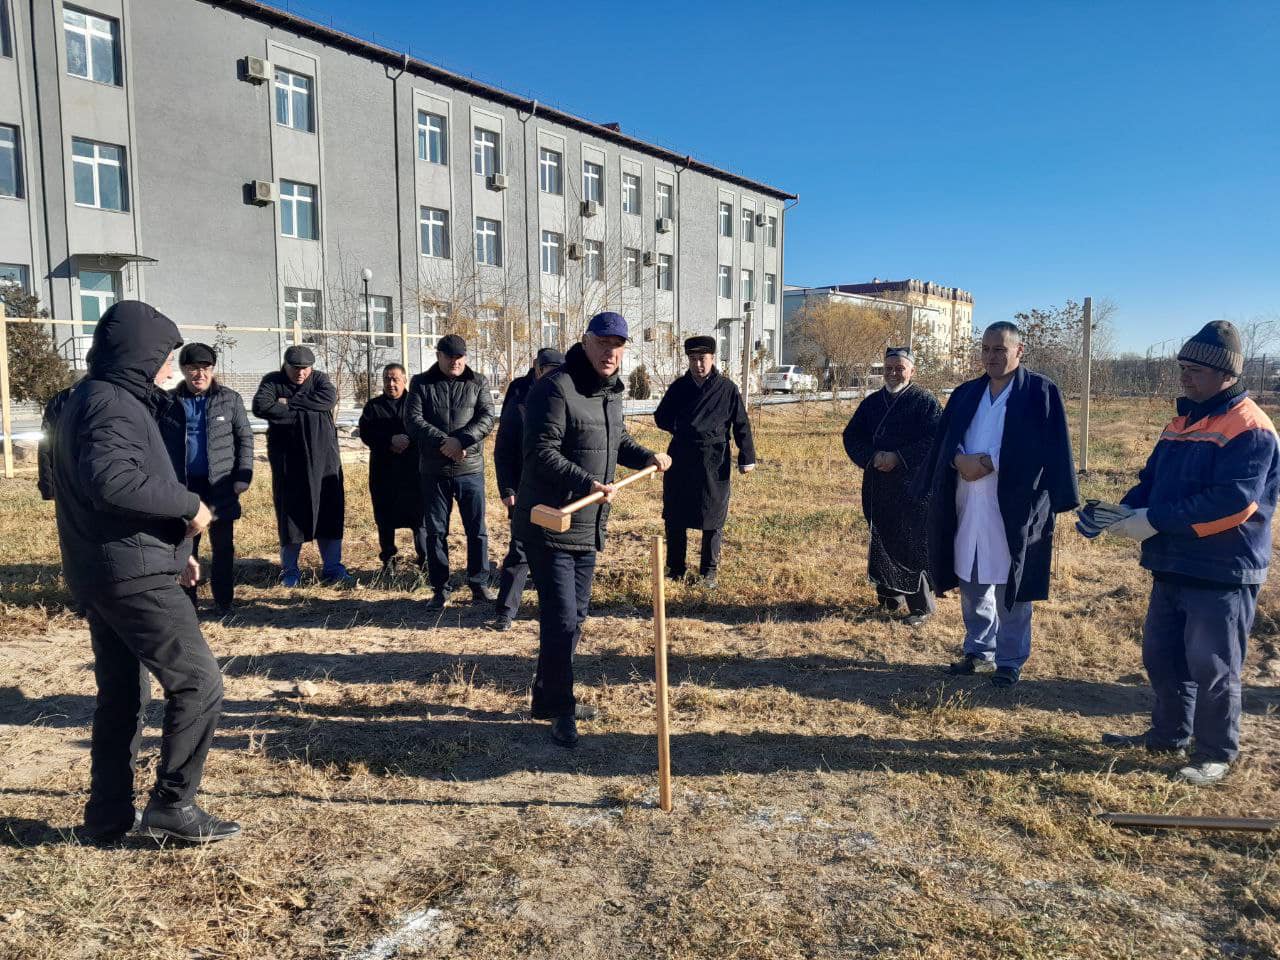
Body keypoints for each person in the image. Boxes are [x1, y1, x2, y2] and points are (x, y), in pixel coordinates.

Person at [51, 300, 238, 844]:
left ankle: (107, 817)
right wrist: (187, 505)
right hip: (131, 575)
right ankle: (173, 805)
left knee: (125, 699)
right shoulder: (110, 403)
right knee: (200, 683)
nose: (169, 368)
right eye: (163, 356)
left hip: (113, 568)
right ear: (137, 353)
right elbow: (112, 482)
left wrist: (178, 552)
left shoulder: (94, 398)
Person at [1095, 321, 1279, 786]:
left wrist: (1155, 520)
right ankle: (1168, 734)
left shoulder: (1250, 427)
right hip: (1173, 560)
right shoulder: (1182, 421)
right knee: (1163, 655)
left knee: (1213, 666)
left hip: (1223, 567)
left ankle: (1216, 751)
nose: (1185, 376)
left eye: (1195, 368)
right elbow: (1152, 481)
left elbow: (1234, 503)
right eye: (1182, 366)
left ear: (1226, 374)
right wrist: (1120, 513)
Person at [514, 313, 671, 747]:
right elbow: (539, 451)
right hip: (551, 520)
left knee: (574, 617)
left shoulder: (611, 393)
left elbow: (613, 442)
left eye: (618, 345)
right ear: (585, 342)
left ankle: (546, 696)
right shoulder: (556, 387)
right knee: (563, 617)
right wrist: (586, 483)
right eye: (603, 343)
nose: (611, 352)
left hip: (588, 523)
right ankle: (562, 710)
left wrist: (646, 457)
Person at [913, 321, 1079, 687]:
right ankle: (977, 651)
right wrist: (959, 461)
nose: (991, 356)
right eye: (986, 349)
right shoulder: (966, 393)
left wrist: (990, 462)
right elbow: (945, 440)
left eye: (1000, 349)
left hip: (1014, 504)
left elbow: (1047, 448)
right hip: (968, 500)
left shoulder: (1040, 392)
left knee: (1011, 582)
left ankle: (1010, 659)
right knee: (971, 576)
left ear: (1019, 352)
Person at [842, 347, 942, 625]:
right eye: (889, 368)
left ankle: (922, 607)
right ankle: (889, 599)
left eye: (900, 368)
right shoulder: (872, 403)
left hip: (913, 487)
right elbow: (851, 436)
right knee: (883, 539)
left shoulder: (925, 402)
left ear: (912, 371)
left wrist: (899, 457)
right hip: (877, 484)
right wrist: (872, 457)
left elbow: (936, 439)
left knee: (912, 543)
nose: (894, 373)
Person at [653, 334, 755, 589]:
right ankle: (675, 567)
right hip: (682, 455)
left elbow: (741, 424)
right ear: (688, 360)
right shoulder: (679, 387)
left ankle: (708, 572)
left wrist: (747, 456)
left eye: (703, 359)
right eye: (694, 359)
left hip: (714, 458)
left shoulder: (727, 388)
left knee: (713, 513)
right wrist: (682, 427)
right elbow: (661, 417)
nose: (699, 364)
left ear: (712, 359)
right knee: (676, 513)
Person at [158, 343, 254, 612]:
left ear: (212, 370)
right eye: (192, 369)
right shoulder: (169, 402)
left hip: (221, 484)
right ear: (183, 370)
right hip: (185, 488)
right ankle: (188, 603)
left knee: (223, 547)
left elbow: (245, 438)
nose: (198, 374)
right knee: (186, 546)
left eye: (204, 368)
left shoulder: (230, 399)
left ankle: (224, 601)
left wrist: (243, 476)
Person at [405, 334, 497, 610]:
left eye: (460, 357)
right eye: (450, 356)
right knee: (435, 532)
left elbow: (487, 417)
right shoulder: (421, 383)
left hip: (470, 469)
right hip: (434, 470)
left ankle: (479, 584)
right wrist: (444, 443)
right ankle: (440, 589)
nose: (456, 362)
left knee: (476, 530)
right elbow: (413, 420)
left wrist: (463, 440)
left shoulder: (478, 382)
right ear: (439, 355)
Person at [252, 346, 348, 588]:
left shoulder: (321, 380)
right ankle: (290, 570)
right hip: (289, 463)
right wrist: (304, 409)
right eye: (295, 368)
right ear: (285, 365)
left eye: (305, 368)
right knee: (291, 513)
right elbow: (261, 406)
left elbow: (328, 399)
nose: (300, 373)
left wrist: (288, 404)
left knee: (329, 510)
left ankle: (333, 568)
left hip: (325, 460)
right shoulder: (272, 382)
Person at [491, 347, 565, 630]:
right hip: (525, 486)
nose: (552, 376)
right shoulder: (520, 397)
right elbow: (504, 447)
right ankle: (506, 611)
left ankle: (557, 609)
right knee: (520, 547)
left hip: (560, 486)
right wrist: (507, 487)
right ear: (537, 369)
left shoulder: (568, 395)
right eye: (547, 371)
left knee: (559, 551)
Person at [358, 363, 427, 577]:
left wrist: (409, 440)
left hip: (414, 472)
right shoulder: (373, 406)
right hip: (383, 472)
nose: (391, 383)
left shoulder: (416, 403)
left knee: (420, 519)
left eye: (395, 379)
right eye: (387, 379)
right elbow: (366, 433)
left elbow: (426, 429)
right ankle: (388, 559)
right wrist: (389, 440)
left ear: (405, 380)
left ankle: (425, 560)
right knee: (385, 519)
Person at [37, 386, 74, 502]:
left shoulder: (61, 399)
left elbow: (46, 446)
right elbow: (47, 445)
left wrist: (49, 488)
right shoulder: (61, 400)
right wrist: (49, 487)